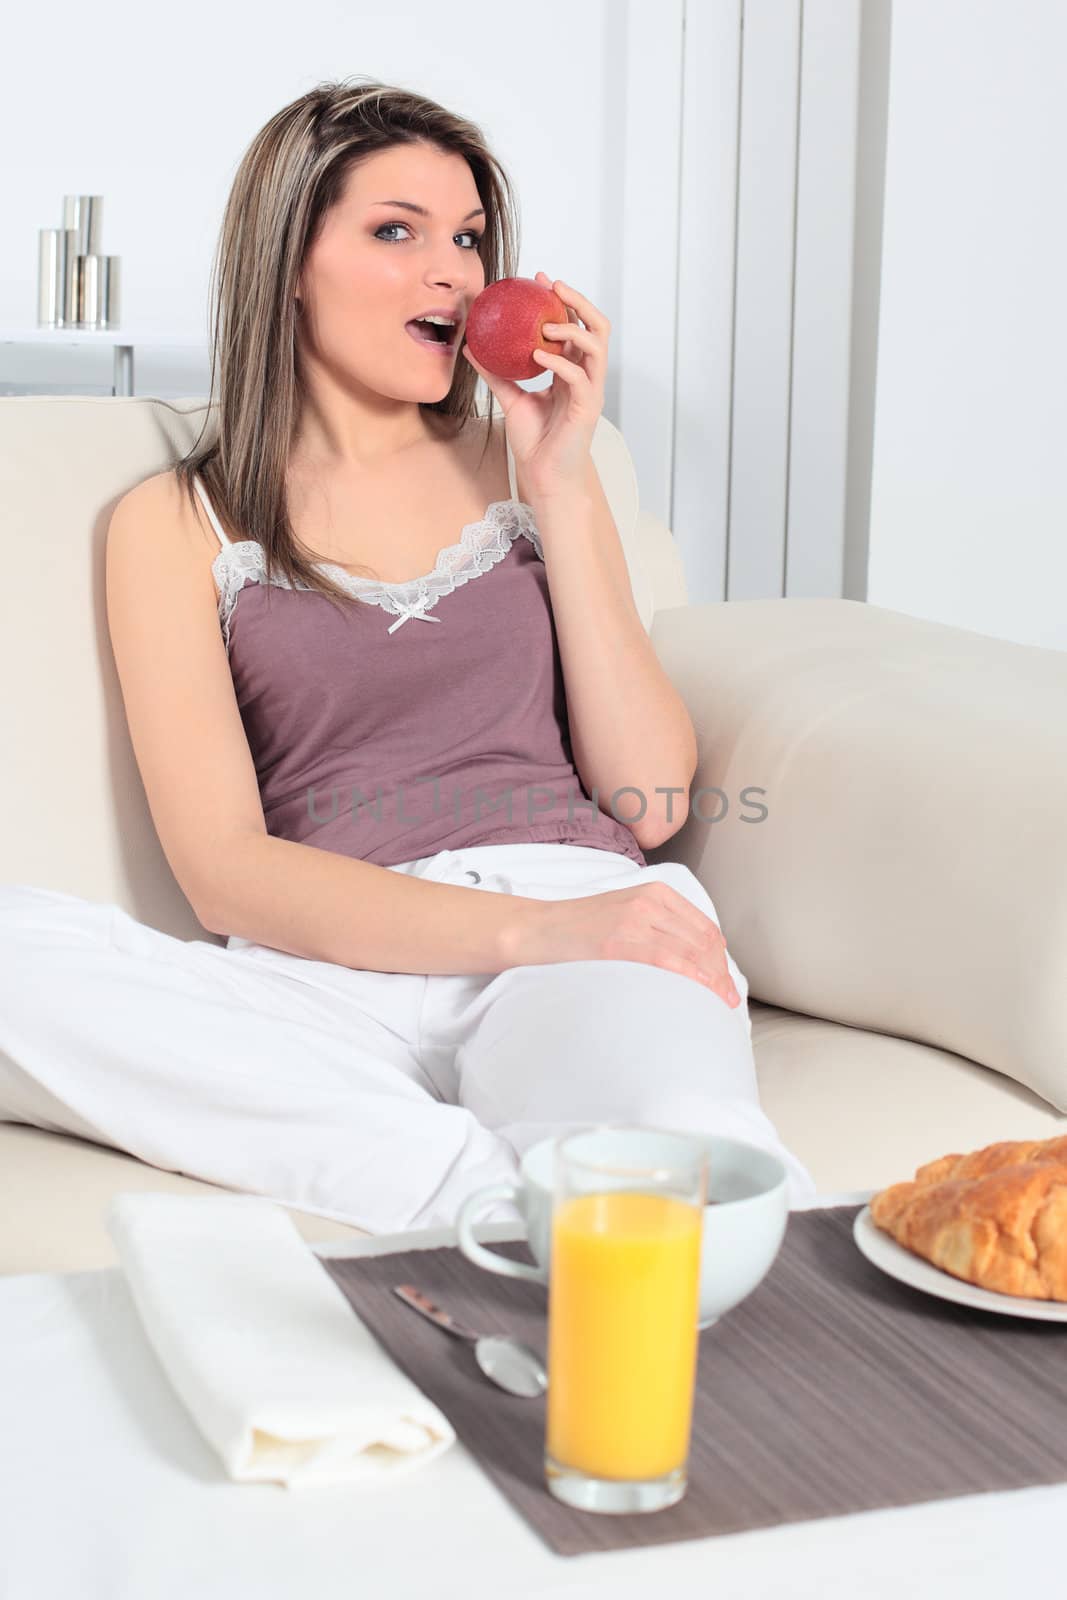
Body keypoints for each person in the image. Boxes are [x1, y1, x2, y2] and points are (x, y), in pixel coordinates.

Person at [0, 77, 815, 1232]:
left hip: (578, 925)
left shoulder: (532, 470)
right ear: (289, 260)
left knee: (687, 1150)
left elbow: (652, 792)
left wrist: (561, 486)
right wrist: (518, 933)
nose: (458, 273)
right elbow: (226, 872)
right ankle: (496, 1195)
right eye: (398, 231)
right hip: (327, 968)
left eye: (471, 238)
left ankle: (511, 1187)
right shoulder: (174, 522)